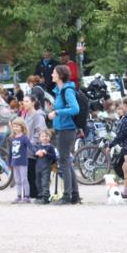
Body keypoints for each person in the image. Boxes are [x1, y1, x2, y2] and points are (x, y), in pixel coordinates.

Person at [48, 64, 80, 205]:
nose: (51, 75)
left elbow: (75, 109)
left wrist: (57, 112)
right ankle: (74, 194)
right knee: (66, 161)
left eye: (54, 72)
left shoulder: (67, 90)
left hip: (67, 129)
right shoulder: (59, 91)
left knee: (64, 161)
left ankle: (67, 195)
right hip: (62, 129)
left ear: (60, 75)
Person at [21, 95, 46, 200]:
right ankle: (29, 194)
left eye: (26, 101)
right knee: (27, 173)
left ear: (33, 102)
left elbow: (39, 132)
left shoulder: (38, 116)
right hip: (26, 149)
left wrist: (30, 144)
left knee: (32, 172)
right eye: (23, 101)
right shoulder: (25, 115)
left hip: (33, 149)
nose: (24, 103)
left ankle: (35, 194)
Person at [31, 128, 58, 204]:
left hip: (46, 167)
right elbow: (34, 155)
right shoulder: (38, 146)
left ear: (49, 137)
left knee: (45, 182)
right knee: (38, 182)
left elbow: (54, 157)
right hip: (38, 167)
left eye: (46, 136)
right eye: (42, 136)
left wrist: (46, 153)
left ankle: (46, 197)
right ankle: (40, 196)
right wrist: (36, 153)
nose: (44, 138)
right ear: (39, 138)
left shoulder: (50, 147)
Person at [8, 118, 32, 203]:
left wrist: (37, 152)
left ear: (22, 127)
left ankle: (27, 196)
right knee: (17, 180)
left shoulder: (24, 138)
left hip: (23, 162)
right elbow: (10, 152)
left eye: (17, 126)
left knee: (24, 179)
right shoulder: (12, 138)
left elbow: (31, 146)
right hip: (15, 162)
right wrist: (9, 163)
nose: (15, 128)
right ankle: (18, 196)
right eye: (14, 126)